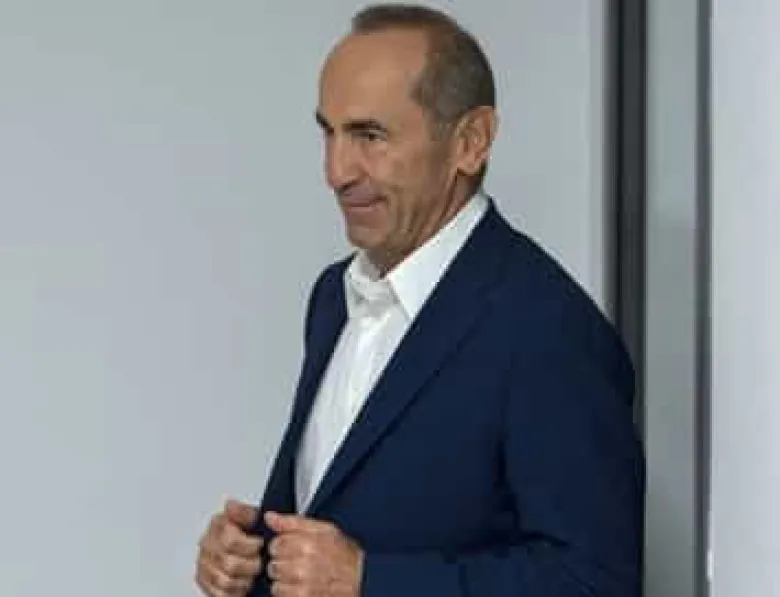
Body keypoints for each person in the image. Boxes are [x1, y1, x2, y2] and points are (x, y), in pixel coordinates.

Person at [195, 4, 645, 597]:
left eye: (369, 136)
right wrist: (248, 558)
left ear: (470, 142)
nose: (336, 171)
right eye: (329, 132)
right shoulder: (334, 298)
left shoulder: (548, 328)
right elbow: (339, 525)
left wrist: (369, 580)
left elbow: (594, 582)